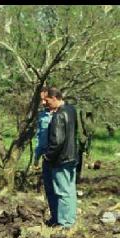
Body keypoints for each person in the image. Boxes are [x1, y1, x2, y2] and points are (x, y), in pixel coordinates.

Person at [42, 87, 79, 228]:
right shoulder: (71, 110)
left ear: (55, 98)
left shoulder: (58, 116)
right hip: (72, 157)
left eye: (47, 100)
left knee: (62, 192)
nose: (45, 103)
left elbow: (57, 141)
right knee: (69, 191)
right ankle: (70, 220)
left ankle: (65, 224)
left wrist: (48, 156)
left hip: (61, 159)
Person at [33, 86, 52, 167]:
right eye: (42, 100)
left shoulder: (60, 114)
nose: (43, 103)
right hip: (45, 154)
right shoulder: (41, 115)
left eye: (45, 99)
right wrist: (36, 156)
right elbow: (38, 136)